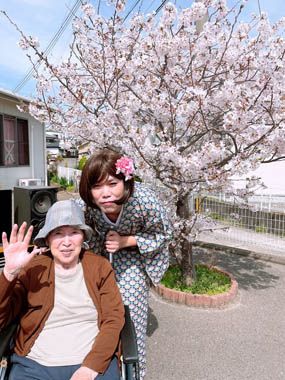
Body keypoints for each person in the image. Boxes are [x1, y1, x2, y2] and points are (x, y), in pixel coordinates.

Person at [0, 200, 125, 380]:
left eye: (74, 232)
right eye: (58, 233)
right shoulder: (33, 269)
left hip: (91, 360)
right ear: (48, 238)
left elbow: (113, 319)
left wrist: (91, 367)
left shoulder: (100, 267)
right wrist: (10, 273)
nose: (67, 242)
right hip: (35, 363)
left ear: (83, 236)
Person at [77, 149, 172, 379]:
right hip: (101, 250)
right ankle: (98, 359)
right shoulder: (87, 206)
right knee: (94, 303)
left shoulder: (144, 200)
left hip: (135, 253)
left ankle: (134, 369)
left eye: (112, 183)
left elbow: (164, 232)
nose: (105, 193)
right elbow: (72, 226)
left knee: (129, 305)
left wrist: (126, 241)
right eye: (97, 186)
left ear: (125, 181)